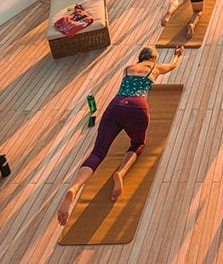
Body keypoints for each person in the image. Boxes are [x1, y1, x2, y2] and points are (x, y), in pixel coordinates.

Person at [56, 44, 184, 225]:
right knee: (138, 143)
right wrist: (177, 55)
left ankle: (74, 188)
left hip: (115, 105)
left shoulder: (128, 69)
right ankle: (121, 173)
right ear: (153, 58)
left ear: (140, 57)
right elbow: (172, 66)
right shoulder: (154, 67)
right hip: (137, 106)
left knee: (98, 152)